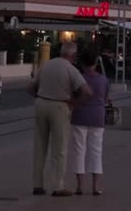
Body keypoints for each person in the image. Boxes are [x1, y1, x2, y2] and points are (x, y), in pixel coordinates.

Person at [27, 42, 91, 197]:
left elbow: (30, 88)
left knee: (39, 146)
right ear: (73, 55)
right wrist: (74, 103)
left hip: (41, 103)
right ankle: (58, 186)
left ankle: (38, 185)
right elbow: (87, 92)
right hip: (60, 107)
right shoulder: (71, 69)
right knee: (59, 149)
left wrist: (40, 97)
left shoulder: (46, 65)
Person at [69, 50, 110, 196]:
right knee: (96, 151)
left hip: (79, 116)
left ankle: (79, 186)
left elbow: (72, 96)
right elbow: (105, 98)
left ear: (82, 64)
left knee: (79, 150)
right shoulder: (103, 79)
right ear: (95, 63)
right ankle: (96, 187)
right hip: (97, 117)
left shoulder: (78, 79)